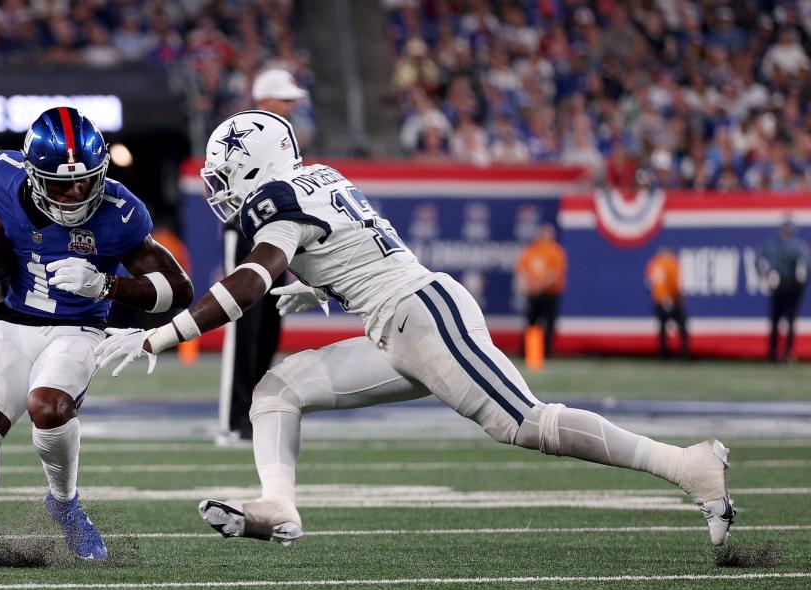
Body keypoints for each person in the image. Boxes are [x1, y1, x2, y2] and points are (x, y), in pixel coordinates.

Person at [95, 111, 734, 549]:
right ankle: (279, 505)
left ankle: (689, 465)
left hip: (423, 315)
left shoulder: (279, 199)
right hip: (396, 325)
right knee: (278, 389)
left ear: (254, 164)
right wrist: (315, 284)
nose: (220, 189)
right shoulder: (315, 178)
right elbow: (351, 246)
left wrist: (159, 334)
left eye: (225, 172)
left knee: (527, 423)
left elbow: (249, 283)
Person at [0, 106, 193, 565]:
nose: (77, 191)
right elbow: (0, 227)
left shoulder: (120, 212)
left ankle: (64, 503)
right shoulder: (3, 178)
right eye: (62, 183)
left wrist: (108, 285)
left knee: (48, 405)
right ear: (33, 175)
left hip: (78, 327)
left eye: (85, 179)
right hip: (13, 321)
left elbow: (178, 290)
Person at [216, 69, 308, 446]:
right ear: (265, 100)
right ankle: (231, 418)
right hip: (244, 229)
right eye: (284, 100)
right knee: (243, 324)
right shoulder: (242, 133)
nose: (290, 107)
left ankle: (253, 412)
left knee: (270, 323)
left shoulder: (281, 137)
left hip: (277, 230)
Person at [756, 219, 809, 362]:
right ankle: (772, 352)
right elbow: (759, 261)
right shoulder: (772, 245)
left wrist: (801, 279)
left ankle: (788, 352)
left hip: (793, 286)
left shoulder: (799, 246)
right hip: (778, 284)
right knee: (775, 320)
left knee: (790, 321)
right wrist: (766, 274)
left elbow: (805, 266)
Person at [514, 223, 566, 358]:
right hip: (534, 293)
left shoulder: (555, 251)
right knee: (531, 323)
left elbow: (555, 273)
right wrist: (529, 286)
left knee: (549, 324)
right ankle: (529, 352)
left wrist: (539, 286)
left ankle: (546, 352)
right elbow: (522, 270)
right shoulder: (532, 251)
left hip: (550, 293)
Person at [645, 246, 689, 359]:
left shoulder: (653, 263)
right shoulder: (671, 263)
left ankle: (663, 354)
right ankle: (683, 354)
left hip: (659, 300)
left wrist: (660, 296)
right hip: (673, 300)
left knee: (662, 329)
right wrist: (678, 298)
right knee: (682, 327)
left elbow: (649, 283)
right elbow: (677, 284)